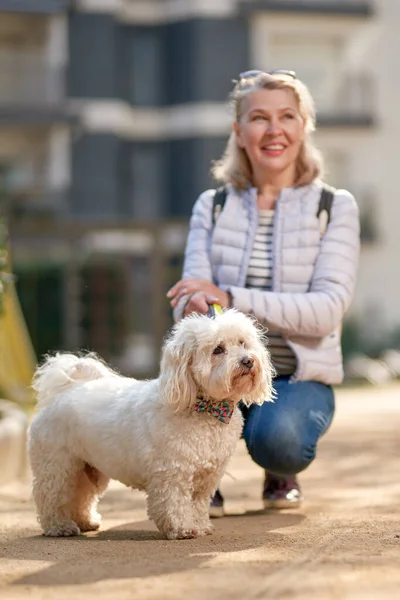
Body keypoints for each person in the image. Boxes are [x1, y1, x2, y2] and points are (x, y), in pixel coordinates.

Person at [167, 69, 360, 516]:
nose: (274, 130)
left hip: (295, 378)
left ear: (304, 126)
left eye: (287, 116)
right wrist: (194, 302)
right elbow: (188, 301)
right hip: (214, 378)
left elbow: (327, 311)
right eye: (259, 118)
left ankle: (277, 467)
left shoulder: (335, 207)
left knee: (280, 441)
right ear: (239, 131)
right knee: (178, 406)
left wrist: (229, 297)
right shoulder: (212, 206)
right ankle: (203, 474)